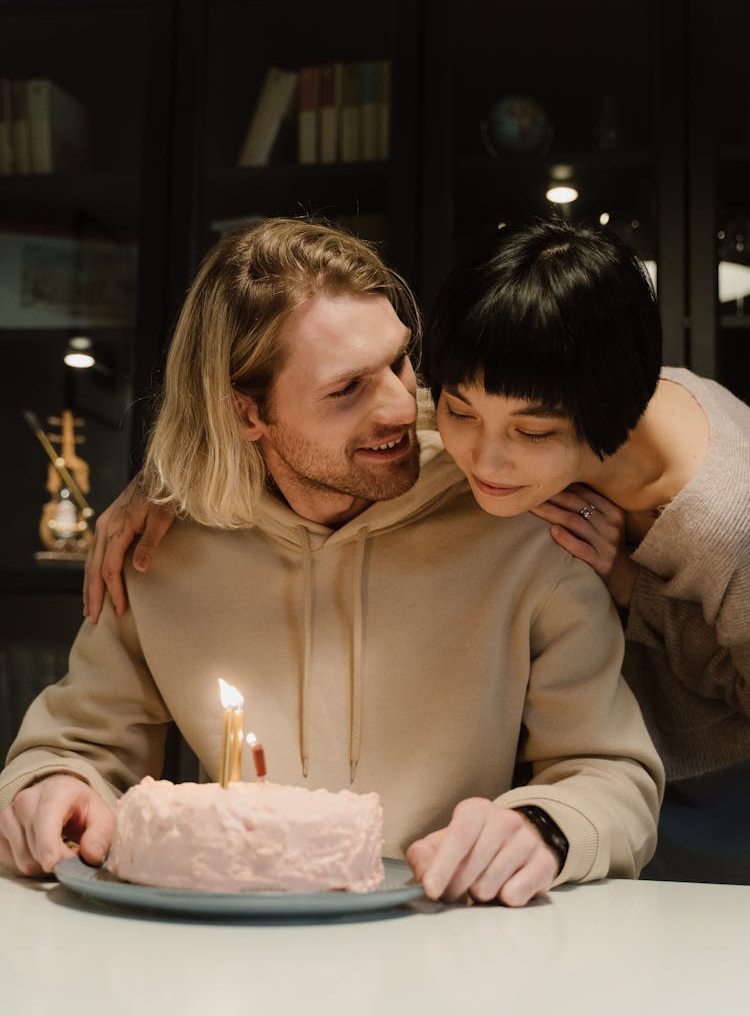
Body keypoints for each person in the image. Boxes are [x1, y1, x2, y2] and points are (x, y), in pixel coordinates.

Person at [0, 218, 662, 906]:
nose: (404, 405)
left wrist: (543, 829)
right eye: (348, 390)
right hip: (225, 967)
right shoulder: (155, 547)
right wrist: (55, 788)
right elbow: (73, 747)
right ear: (247, 413)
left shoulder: (522, 520)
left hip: (451, 952)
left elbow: (612, 775)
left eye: (402, 361)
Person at [424, 217, 750, 883]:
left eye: (532, 430)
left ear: (610, 410)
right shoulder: (558, 381)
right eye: (458, 411)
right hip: (599, 765)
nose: (484, 457)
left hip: (720, 795)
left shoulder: (724, 519)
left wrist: (632, 584)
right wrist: (166, 485)